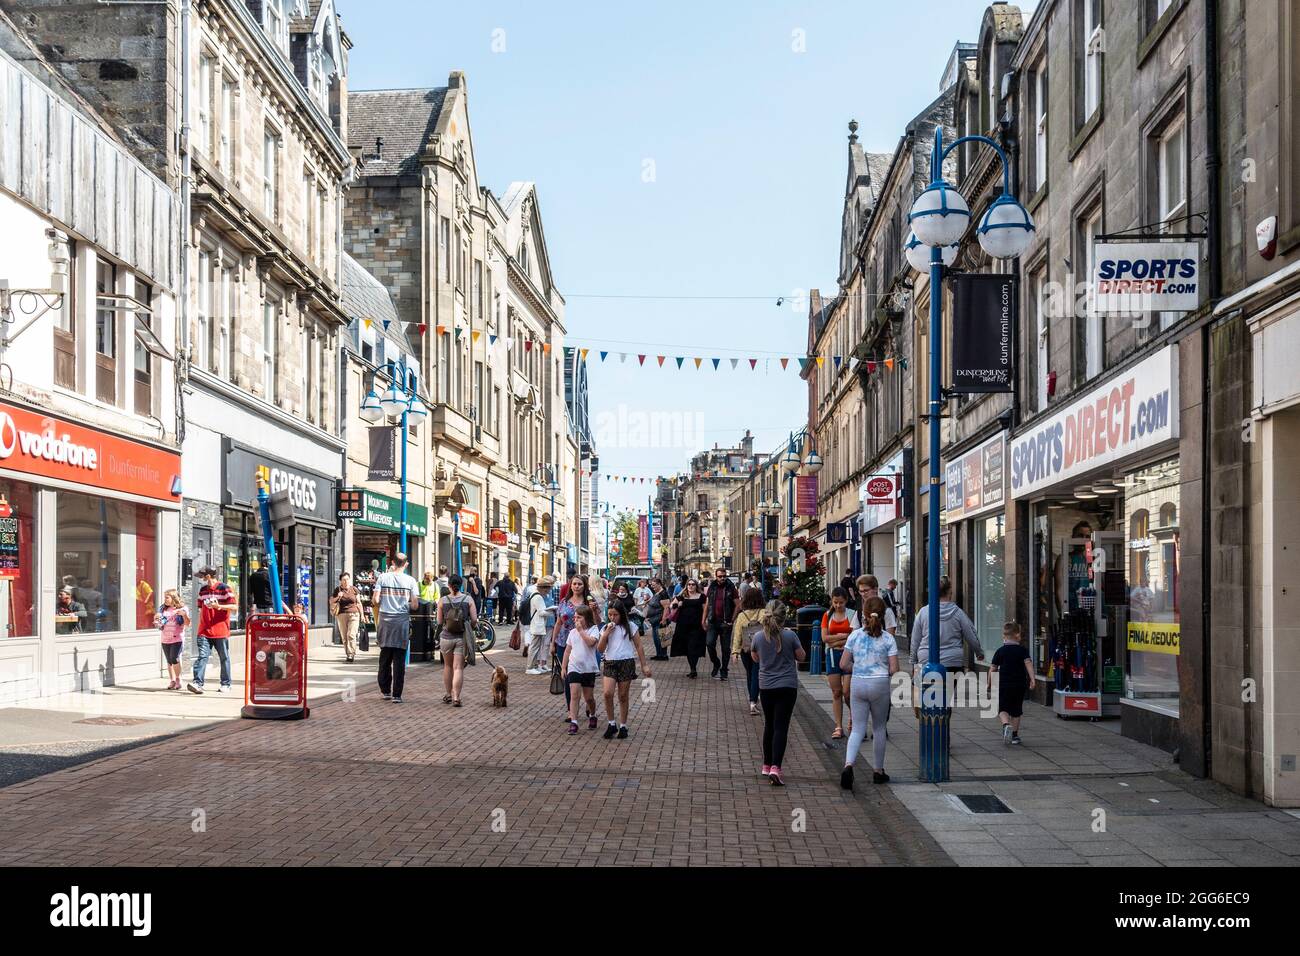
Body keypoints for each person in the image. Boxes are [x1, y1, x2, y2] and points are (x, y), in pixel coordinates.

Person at [839, 596, 899, 789]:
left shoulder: (855, 636)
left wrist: (856, 667)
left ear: (863, 614)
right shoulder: (888, 639)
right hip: (879, 684)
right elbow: (894, 669)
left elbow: (843, 664)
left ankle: (848, 765)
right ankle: (878, 771)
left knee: (857, 728)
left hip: (858, 682)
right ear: (883, 616)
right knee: (879, 728)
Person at [750, 601, 806, 785]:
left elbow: (755, 658)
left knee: (769, 725)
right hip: (787, 686)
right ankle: (776, 767)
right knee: (781, 727)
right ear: (784, 617)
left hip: (766, 686)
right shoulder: (790, 635)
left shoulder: (758, 637)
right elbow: (801, 656)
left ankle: (766, 765)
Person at [908, 575, 984, 676]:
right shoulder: (958, 613)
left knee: (922, 690)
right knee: (948, 691)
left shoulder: (923, 612)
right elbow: (971, 635)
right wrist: (979, 652)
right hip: (952, 660)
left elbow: (915, 639)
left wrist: (913, 662)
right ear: (950, 591)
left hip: (925, 659)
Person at [597, 602, 651, 739]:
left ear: (622, 614)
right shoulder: (605, 628)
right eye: (610, 614)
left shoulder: (631, 626)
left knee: (622, 695)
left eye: (615, 615)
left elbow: (639, 645)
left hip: (626, 662)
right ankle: (611, 723)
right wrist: (605, 635)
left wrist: (644, 665)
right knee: (607, 693)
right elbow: (600, 649)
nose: (612, 617)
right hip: (610, 662)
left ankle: (623, 725)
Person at [372, 552, 420, 703]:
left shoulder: (383, 577)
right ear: (406, 564)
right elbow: (415, 605)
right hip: (401, 623)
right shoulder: (411, 581)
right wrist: (404, 604)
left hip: (385, 621)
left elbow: (375, 599)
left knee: (385, 657)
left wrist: (384, 603)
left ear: (392, 562)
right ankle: (397, 695)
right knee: (399, 660)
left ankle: (385, 690)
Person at [188, 568, 237, 695]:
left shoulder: (224, 588)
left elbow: (234, 607)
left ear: (208, 576)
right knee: (203, 656)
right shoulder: (203, 590)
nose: (200, 578)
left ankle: (226, 684)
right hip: (204, 630)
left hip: (221, 630)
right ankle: (197, 683)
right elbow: (200, 608)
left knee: (224, 658)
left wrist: (219, 606)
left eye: (202, 576)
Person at [551, 575, 593, 712]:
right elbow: (558, 623)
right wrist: (553, 643)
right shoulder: (564, 602)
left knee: (586, 675)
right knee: (569, 678)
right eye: (574, 584)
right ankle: (571, 710)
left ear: (584, 586)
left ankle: (589, 701)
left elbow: (597, 623)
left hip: (585, 643)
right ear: (570, 585)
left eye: (580, 584)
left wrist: (595, 610)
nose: (576, 586)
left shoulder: (589, 602)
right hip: (564, 643)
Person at [821, 586, 859, 739]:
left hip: (849, 657)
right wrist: (843, 637)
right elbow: (825, 639)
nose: (837, 605)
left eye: (841, 603)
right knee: (836, 693)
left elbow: (855, 637)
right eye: (835, 602)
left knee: (847, 693)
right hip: (832, 656)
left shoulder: (852, 615)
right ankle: (838, 726)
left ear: (846, 601)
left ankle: (854, 718)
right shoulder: (827, 615)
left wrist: (835, 639)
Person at [989, 621, 1035, 745]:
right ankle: (1014, 736)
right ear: (1018, 635)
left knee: (1003, 709)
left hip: (1004, 684)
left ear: (1004, 636)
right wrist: (1032, 679)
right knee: (1016, 710)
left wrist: (989, 683)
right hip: (1020, 684)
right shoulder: (1022, 651)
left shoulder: (1000, 651)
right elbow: (1028, 664)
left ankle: (1005, 724)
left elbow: (993, 668)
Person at [437, 573, 478, 707]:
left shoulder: (442, 600)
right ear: (461, 585)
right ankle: (456, 697)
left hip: (446, 637)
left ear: (448, 585)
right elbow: (474, 620)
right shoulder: (468, 599)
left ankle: (448, 694)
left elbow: (439, 621)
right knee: (458, 668)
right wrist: (469, 626)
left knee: (448, 666)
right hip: (461, 637)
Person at [564, 605, 601, 734]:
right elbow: (568, 650)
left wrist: (581, 631)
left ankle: (593, 714)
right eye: (575, 617)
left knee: (589, 698)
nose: (576, 620)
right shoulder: (572, 632)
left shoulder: (594, 629)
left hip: (588, 668)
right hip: (574, 666)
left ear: (586, 618)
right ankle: (574, 722)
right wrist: (564, 667)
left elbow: (591, 643)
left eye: (579, 617)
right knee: (574, 694)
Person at [730, 585, 767, 715]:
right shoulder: (765, 613)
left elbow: (737, 635)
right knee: (757, 674)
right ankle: (753, 701)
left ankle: (752, 698)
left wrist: (735, 652)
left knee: (750, 674)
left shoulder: (741, 616)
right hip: (761, 650)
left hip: (746, 649)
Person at [703, 566, 739, 680]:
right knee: (709, 643)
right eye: (720, 576)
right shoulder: (711, 587)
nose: (722, 578)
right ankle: (716, 663)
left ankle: (724, 669)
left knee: (725, 648)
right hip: (713, 621)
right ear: (716, 576)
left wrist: (732, 620)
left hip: (726, 622)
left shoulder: (731, 588)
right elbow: (707, 605)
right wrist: (703, 620)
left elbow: (738, 605)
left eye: (724, 576)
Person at [668, 577, 707, 677]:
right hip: (683, 625)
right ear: (686, 586)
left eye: (693, 584)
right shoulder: (681, 596)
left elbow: (705, 610)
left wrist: (704, 621)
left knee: (694, 647)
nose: (691, 586)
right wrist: (678, 605)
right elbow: (671, 606)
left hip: (697, 626)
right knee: (688, 648)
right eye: (689, 584)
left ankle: (693, 668)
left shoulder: (702, 596)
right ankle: (692, 669)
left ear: (696, 586)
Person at [154, 589, 190, 689]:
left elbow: (187, 623)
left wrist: (184, 615)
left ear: (173, 598)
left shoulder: (182, 609)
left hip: (177, 638)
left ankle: (178, 679)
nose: (165, 599)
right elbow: (159, 623)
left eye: (167, 597)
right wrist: (156, 619)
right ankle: (172, 680)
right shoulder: (162, 609)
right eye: (165, 597)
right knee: (169, 661)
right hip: (165, 638)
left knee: (174, 658)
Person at [525, 575, 555, 674]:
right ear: (543, 588)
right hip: (537, 624)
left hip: (537, 624)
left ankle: (535, 665)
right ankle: (530, 667)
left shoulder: (536, 595)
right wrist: (552, 611)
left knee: (536, 646)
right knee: (534, 646)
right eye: (547, 588)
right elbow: (541, 612)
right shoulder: (538, 597)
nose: (548, 591)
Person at [331, 571, 363, 662]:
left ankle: (351, 654)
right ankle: (348, 653)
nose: (346, 581)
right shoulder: (337, 590)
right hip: (341, 615)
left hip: (354, 614)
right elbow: (331, 602)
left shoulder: (354, 589)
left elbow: (359, 603)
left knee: (351, 635)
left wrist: (362, 615)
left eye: (347, 579)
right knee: (344, 637)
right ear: (340, 581)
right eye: (344, 580)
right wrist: (338, 597)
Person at [645, 577, 669, 660]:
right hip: (654, 620)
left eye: (654, 585)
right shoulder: (657, 593)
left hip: (660, 619)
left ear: (659, 584)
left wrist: (664, 619)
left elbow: (666, 607)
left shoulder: (663, 593)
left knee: (661, 638)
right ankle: (659, 654)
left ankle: (663, 655)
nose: (652, 586)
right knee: (656, 639)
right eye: (651, 585)